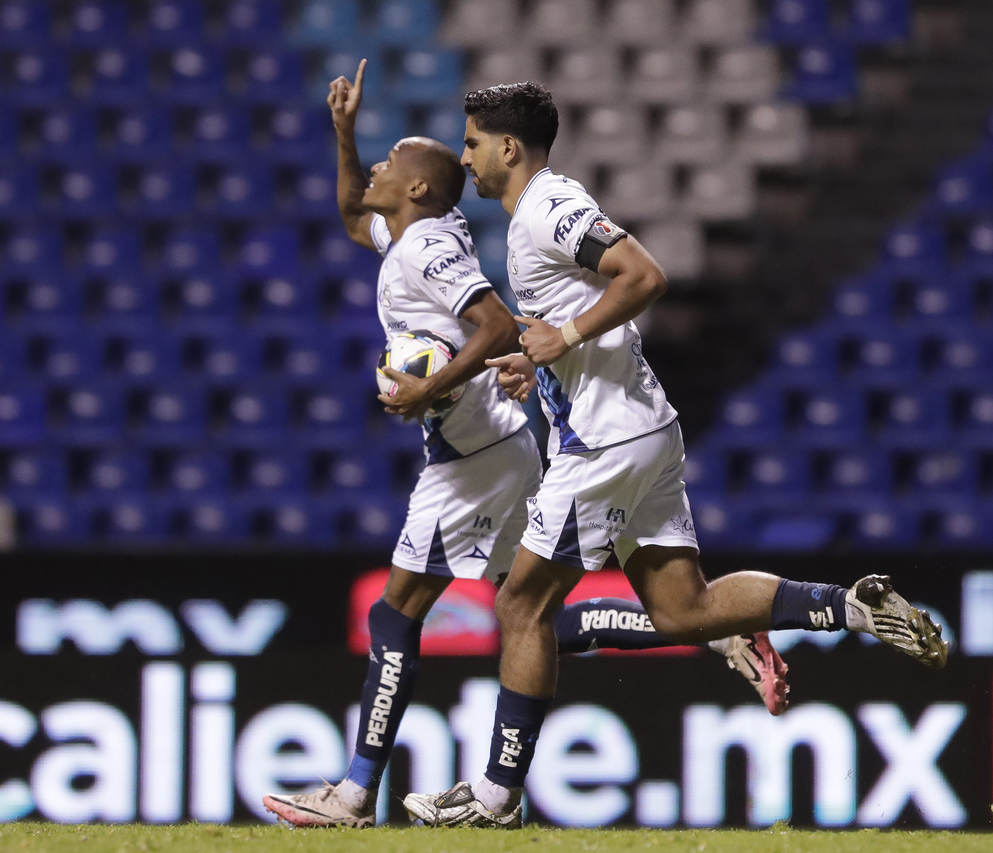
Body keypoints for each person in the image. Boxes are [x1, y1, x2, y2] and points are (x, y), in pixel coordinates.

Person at [401, 82, 949, 830]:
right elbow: (582, 313)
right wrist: (546, 360)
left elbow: (645, 274)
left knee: (521, 603)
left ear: (507, 147)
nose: (465, 156)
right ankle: (848, 603)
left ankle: (494, 798)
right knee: (680, 607)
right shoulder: (535, 217)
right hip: (642, 430)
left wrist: (565, 338)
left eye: (470, 143)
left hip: (606, 442)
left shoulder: (547, 208)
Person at [262, 62, 791, 830]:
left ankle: (352, 795)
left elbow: (500, 324)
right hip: (504, 447)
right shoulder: (412, 232)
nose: (377, 168)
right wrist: (343, 133)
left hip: (472, 462)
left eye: (393, 161)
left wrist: (425, 383)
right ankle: (718, 629)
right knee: (532, 618)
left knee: (396, 613)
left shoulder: (427, 252)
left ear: (418, 189)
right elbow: (352, 213)